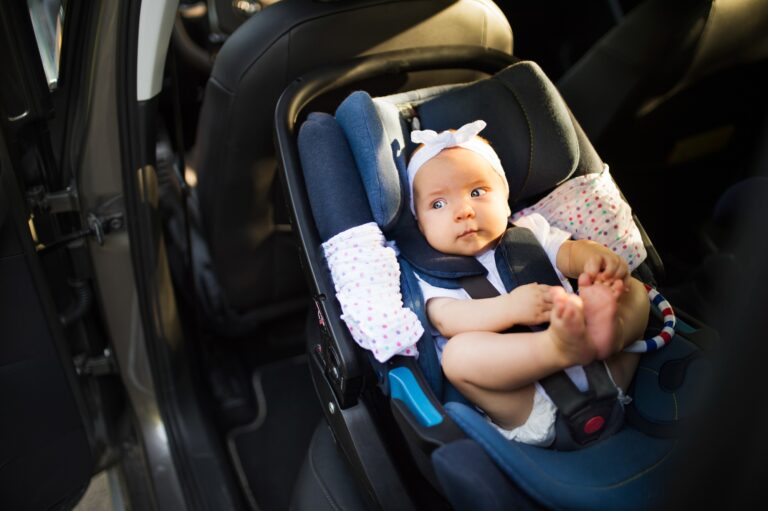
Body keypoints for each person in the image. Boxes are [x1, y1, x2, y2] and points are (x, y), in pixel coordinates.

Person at [408, 120, 650, 446]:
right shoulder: (430, 273)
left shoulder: (530, 232)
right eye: (438, 204)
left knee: (634, 289)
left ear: (506, 202)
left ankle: (609, 333)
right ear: (421, 226)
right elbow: (446, 318)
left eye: (477, 192)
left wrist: (593, 258)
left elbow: (567, 252)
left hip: (608, 368)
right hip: (529, 403)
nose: (463, 211)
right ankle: (556, 349)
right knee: (457, 356)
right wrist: (510, 309)